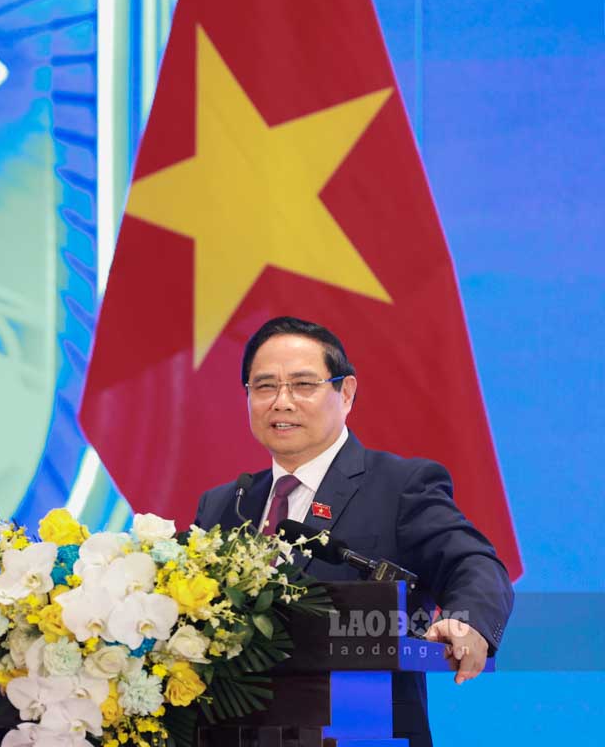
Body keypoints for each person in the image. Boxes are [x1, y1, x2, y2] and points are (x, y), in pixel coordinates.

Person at [193, 316, 514, 747]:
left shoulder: (400, 485)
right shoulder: (224, 503)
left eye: (303, 385)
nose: (281, 402)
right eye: (264, 387)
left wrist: (467, 620)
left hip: (365, 732)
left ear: (345, 393)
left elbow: (473, 563)